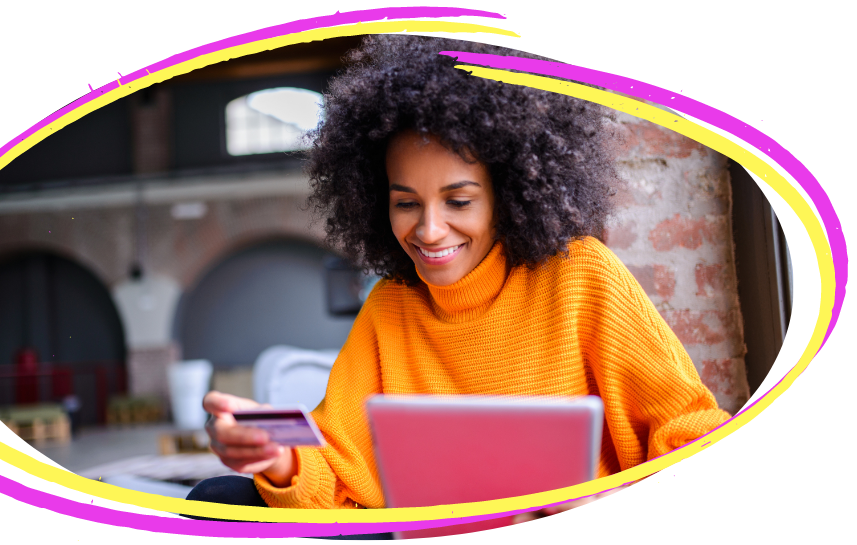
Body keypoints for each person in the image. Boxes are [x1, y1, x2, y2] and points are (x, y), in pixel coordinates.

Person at [185, 34, 731, 535]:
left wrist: (610, 501)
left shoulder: (580, 275)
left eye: (459, 201)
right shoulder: (390, 307)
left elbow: (693, 436)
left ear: (510, 191)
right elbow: (337, 467)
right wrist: (277, 457)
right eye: (405, 203)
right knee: (219, 496)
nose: (428, 230)